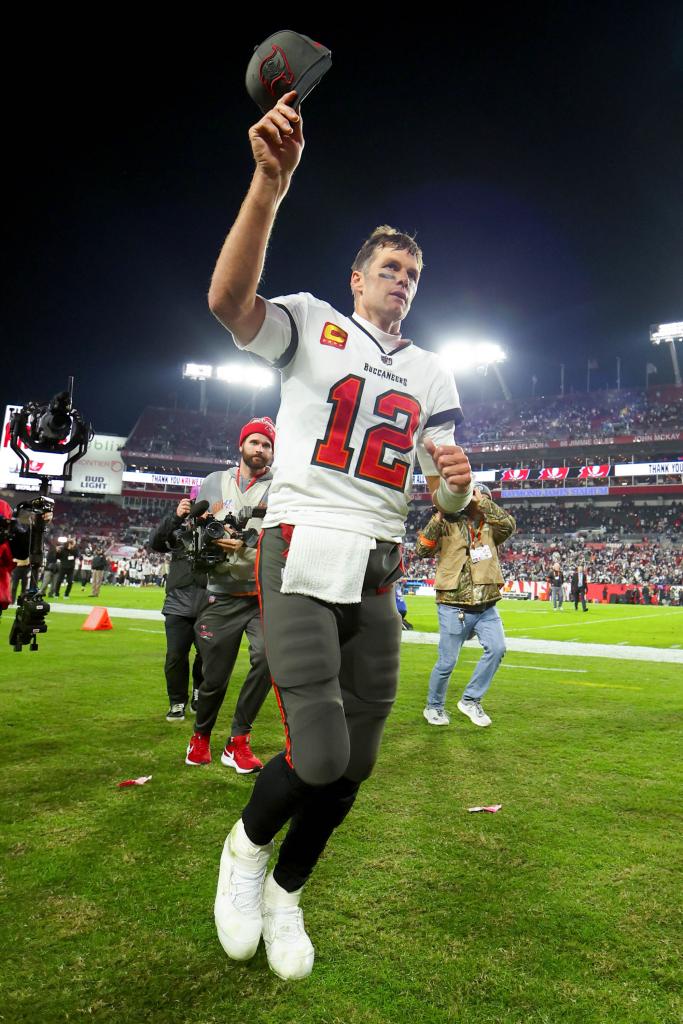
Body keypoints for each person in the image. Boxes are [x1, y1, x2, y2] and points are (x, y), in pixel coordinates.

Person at [204, 91, 473, 981]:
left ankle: (287, 890)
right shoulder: (316, 321)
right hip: (301, 542)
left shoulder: (432, 370)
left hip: (378, 565)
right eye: (389, 267)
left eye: (412, 274)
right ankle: (244, 853)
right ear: (359, 278)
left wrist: (452, 483)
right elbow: (227, 301)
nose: (401, 281)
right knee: (316, 753)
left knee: (354, 764)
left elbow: (438, 482)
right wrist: (266, 190)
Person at [185, 418, 276, 773]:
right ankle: (201, 735)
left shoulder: (281, 486)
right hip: (221, 592)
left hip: (261, 593)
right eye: (255, 442)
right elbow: (194, 524)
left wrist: (251, 540)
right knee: (214, 676)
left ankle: (238, 739)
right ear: (242, 446)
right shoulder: (214, 481)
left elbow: (287, 532)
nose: (260, 449)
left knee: (269, 659)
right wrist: (209, 534)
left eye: (267, 444)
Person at [417, 485, 516, 728]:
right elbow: (422, 550)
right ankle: (434, 706)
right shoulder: (446, 523)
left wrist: (483, 501)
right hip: (453, 604)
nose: (476, 504)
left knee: (497, 648)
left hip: (486, 605)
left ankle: (471, 700)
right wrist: (439, 515)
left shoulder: (492, 529)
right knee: (447, 661)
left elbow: (509, 524)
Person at [149, 500, 208, 722]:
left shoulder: (215, 529)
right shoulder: (178, 533)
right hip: (177, 604)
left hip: (209, 603)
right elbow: (155, 542)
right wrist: (177, 517)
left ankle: (198, 693)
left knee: (207, 656)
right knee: (175, 656)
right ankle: (177, 702)